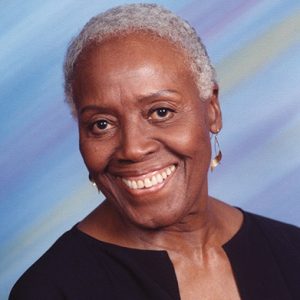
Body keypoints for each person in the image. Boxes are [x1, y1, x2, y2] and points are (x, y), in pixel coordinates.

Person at [9, 3, 300, 300]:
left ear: (212, 109)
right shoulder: (50, 290)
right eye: (101, 124)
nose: (133, 148)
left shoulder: (292, 253)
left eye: (161, 112)